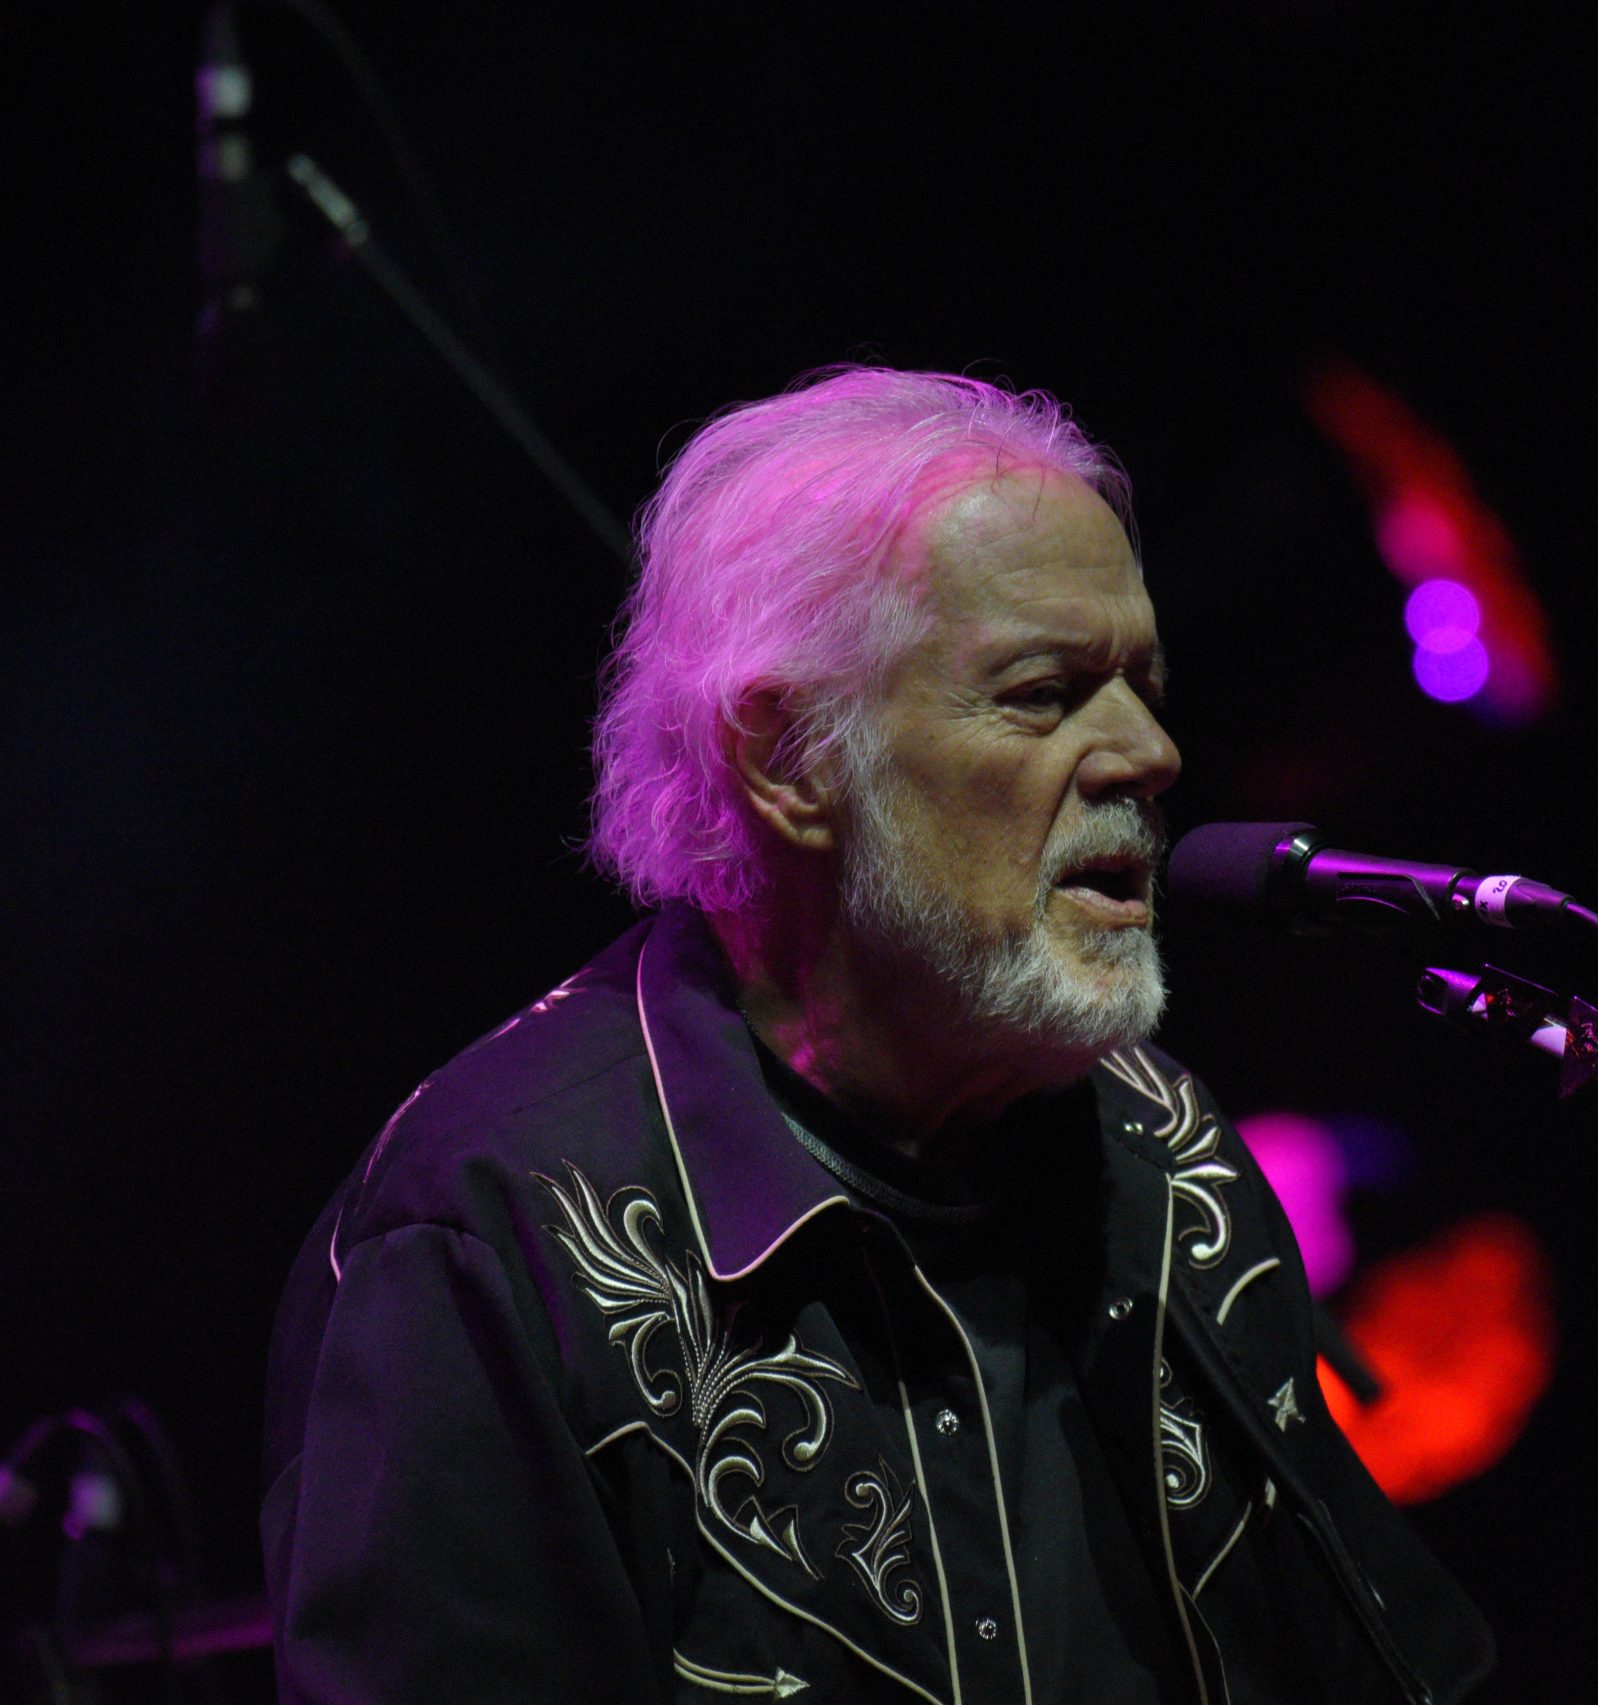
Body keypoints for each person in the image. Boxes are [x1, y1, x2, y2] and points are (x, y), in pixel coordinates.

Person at [260, 367, 1496, 1703]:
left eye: (1144, 683)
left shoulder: (1164, 1147)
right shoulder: (490, 1234)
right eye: (1043, 692)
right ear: (788, 758)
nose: (1147, 752)